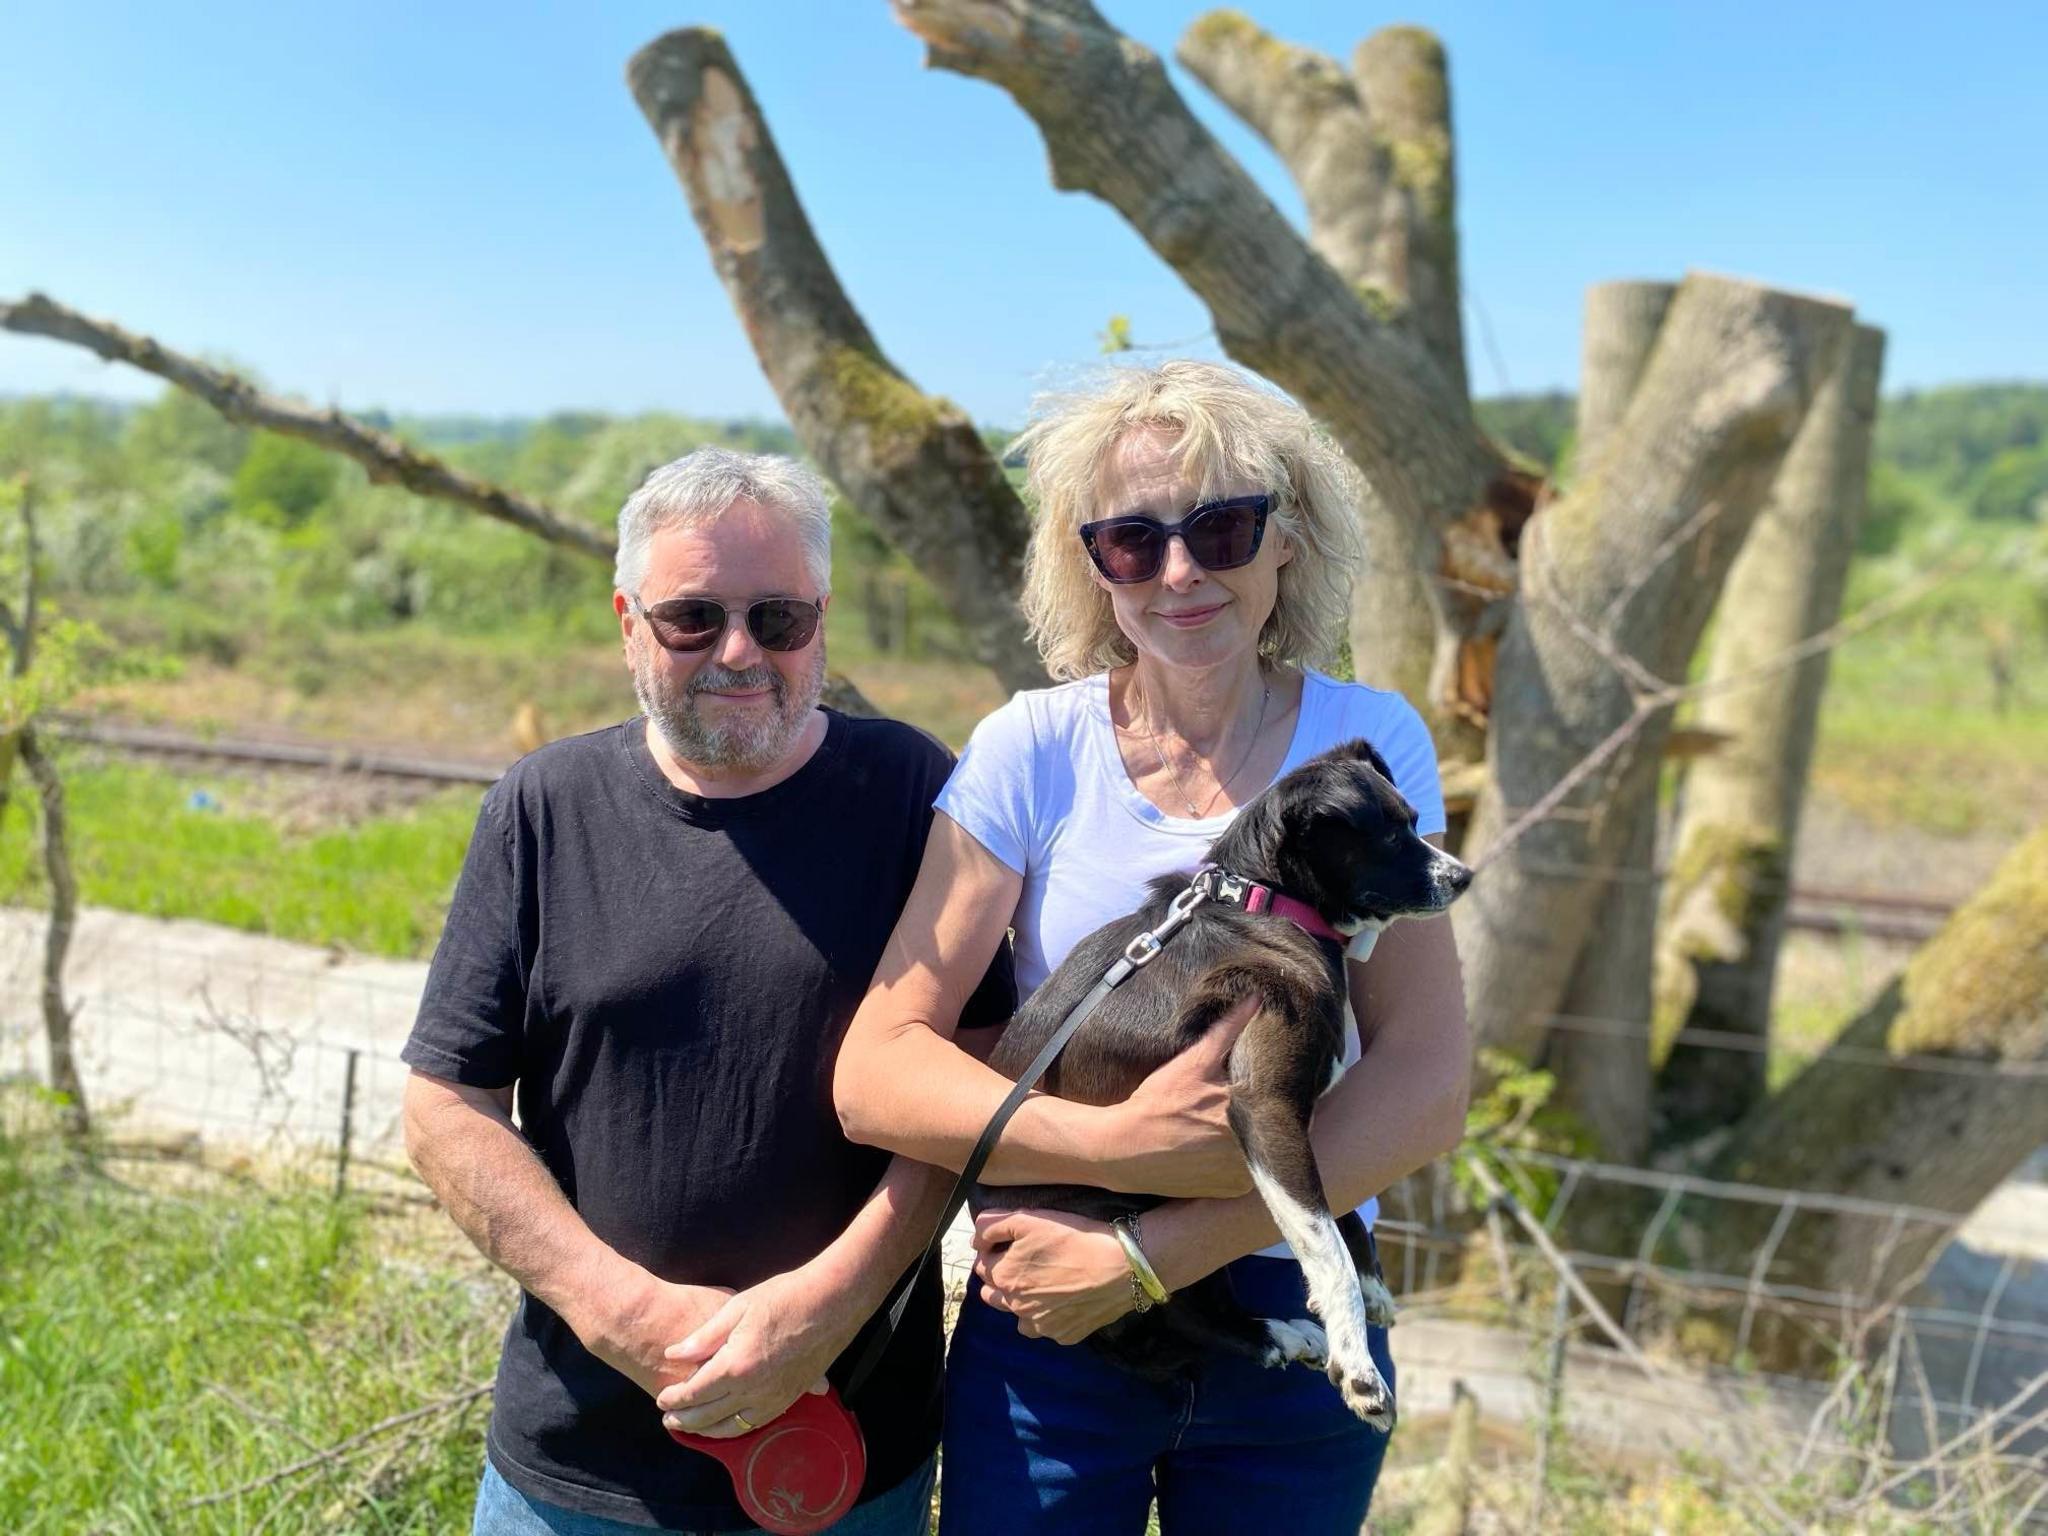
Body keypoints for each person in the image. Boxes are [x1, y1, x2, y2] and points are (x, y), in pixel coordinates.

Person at [833, 361, 1471, 1535]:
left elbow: (1424, 1088)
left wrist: (1154, 1254)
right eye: (1132, 540)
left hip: (1289, 1337)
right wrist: (1110, 1146)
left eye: (1222, 528)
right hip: (1054, 1332)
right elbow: (876, 1067)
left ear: (1289, 542)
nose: (1180, 571)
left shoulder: (1365, 741)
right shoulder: (1032, 747)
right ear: (1092, 567)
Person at [399, 448, 1015, 1535]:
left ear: (822, 618)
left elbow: (978, 1072)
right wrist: (614, 1310)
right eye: (693, 618)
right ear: (627, 619)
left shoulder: (915, 795)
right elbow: (445, 1104)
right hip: (574, 1468)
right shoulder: (543, 806)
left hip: (842, 1458)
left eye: (776, 620)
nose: (738, 653)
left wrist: (828, 1306)